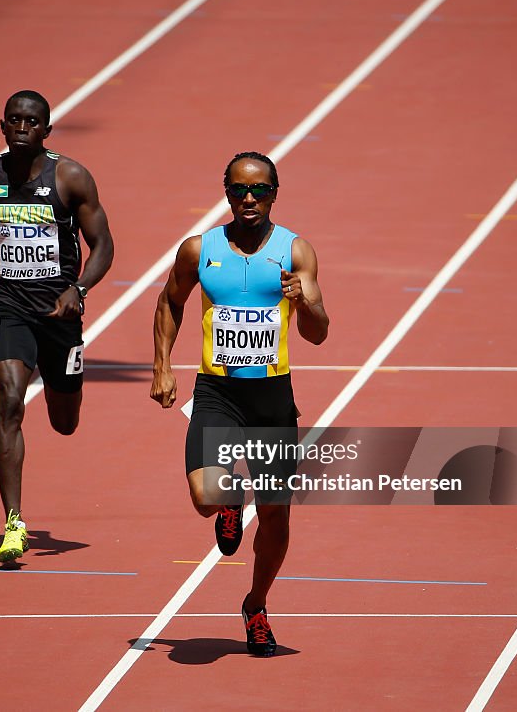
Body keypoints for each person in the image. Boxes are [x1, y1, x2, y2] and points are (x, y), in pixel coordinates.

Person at [150, 152, 329, 656]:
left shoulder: (296, 252)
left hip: (273, 400)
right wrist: (162, 365)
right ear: (226, 192)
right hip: (218, 391)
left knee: (276, 520)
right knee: (205, 496)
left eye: (260, 190)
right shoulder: (198, 250)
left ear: (275, 192)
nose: (249, 199)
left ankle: (256, 605)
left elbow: (317, 335)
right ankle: (230, 500)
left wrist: (308, 301)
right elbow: (170, 302)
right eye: (239, 190)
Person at [0, 90, 114, 562]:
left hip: (60, 311)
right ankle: (14, 522)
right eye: (15, 121)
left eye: (32, 122)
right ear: (2, 126)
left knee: (65, 422)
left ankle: (64, 393)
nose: (22, 128)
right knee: (9, 400)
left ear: (46, 130)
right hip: (9, 305)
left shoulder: (71, 177)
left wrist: (78, 290)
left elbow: (102, 244)